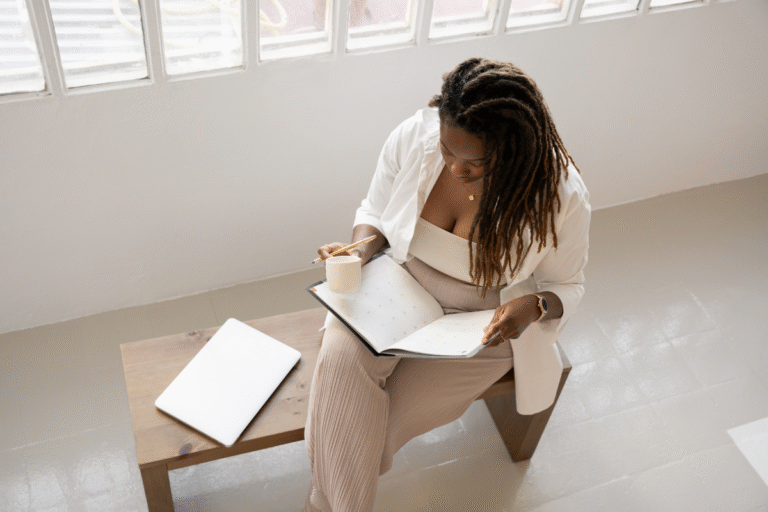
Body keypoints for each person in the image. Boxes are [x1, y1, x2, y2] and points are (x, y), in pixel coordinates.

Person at [304, 57, 591, 512]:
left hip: (482, 324)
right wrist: (359, 250)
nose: (456, 169)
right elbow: (375, 210)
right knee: (341, 367)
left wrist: (533, 307)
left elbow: (568, 285)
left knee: (363, 427)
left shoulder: (559, 196)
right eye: (446, 151)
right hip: (395, 286)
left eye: (475, 163)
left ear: (511, 151)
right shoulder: (414, 137)